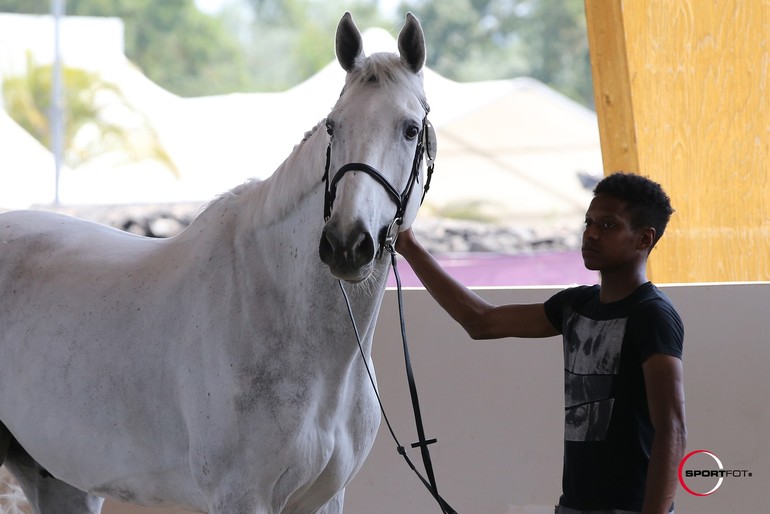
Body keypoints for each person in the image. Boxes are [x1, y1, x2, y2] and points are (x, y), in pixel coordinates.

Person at [395, 172, 686, 514]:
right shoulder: (575, 305)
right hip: (573, 506)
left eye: (608, 226)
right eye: (588, 222)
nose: (590, 233)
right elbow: (480, 321)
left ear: (643, 239)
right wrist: (409, 246)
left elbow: (673, 429)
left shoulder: (651, 314)